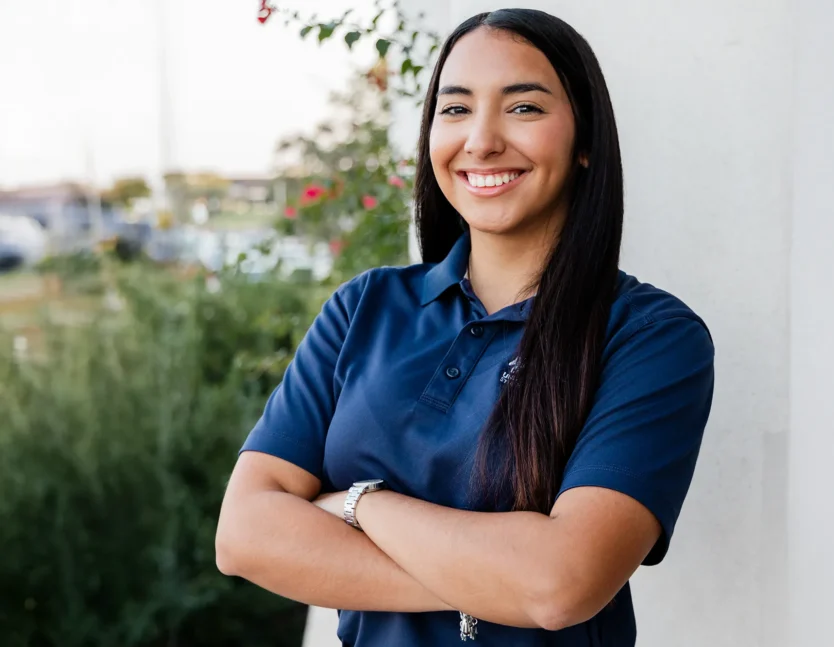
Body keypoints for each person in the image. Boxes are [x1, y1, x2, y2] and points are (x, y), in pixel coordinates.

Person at [215, 8, 715, 646]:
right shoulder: (363, 308)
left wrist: (356, 504)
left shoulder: (649, 337)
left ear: (585, 141)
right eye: (455, 110)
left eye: (524, 108)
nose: (481, 141)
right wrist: (504, 582)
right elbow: (244, 536)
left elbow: (562, 584)